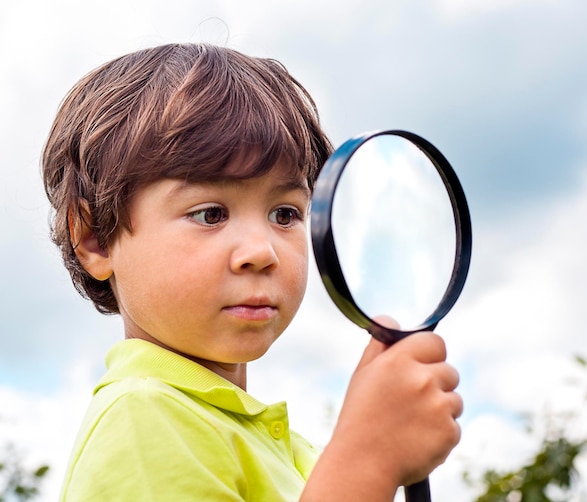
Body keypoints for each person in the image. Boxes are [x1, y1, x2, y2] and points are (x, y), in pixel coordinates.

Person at [42, 43, 462, 501]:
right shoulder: (141, 417)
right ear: (96, 239)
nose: (261, 252)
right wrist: (368, 459)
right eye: (210, 214)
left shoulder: (296, 455)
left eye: (285, 214)